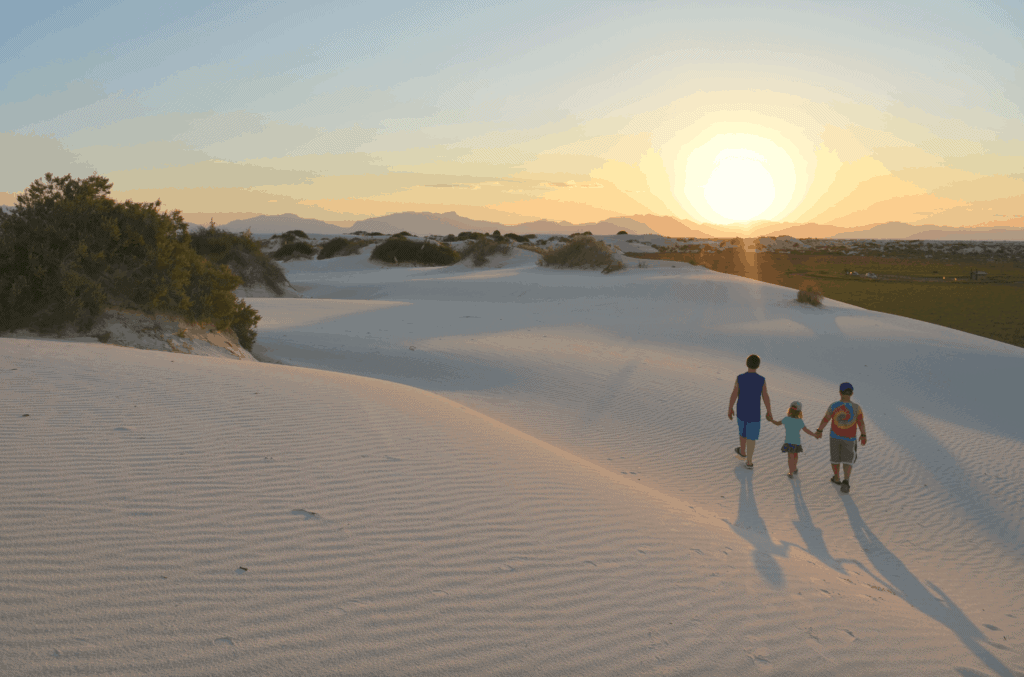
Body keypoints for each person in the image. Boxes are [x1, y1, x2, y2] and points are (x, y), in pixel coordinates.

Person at [814, 382, 867, 493]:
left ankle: (837, 478)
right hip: (850, 438)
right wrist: (863, 435)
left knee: (835, 458)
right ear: (852, 393)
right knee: (848, 460)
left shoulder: (833, 406)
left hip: (834, 436)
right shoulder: (857, 408)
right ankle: (846, 481)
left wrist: (819, 430)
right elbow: (861, 422)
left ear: (840, 392)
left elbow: (825, 419)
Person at [727, 354, 774, 469]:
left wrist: (730, 407)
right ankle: (749, 461)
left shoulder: (740, 378)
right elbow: (765, 396)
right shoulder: (761, 380)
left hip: (742, 410)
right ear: (758, 365)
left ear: (746, 363)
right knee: (752, 437)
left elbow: (734, 393)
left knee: (742, 432)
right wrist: (769, 411)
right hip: (754, 412)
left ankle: (742, 451)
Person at [769, 401, 817, 477]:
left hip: (788, 442)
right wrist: (814, 434)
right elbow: (806, 430)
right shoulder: (800, 421)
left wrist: (771, 420)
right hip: (797, 443)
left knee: (790, 457)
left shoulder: (786, 419)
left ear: (790, 410)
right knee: (795, 456)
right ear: (799, 412)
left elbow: (777, 423)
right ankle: (794, 468)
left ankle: (790, 472)